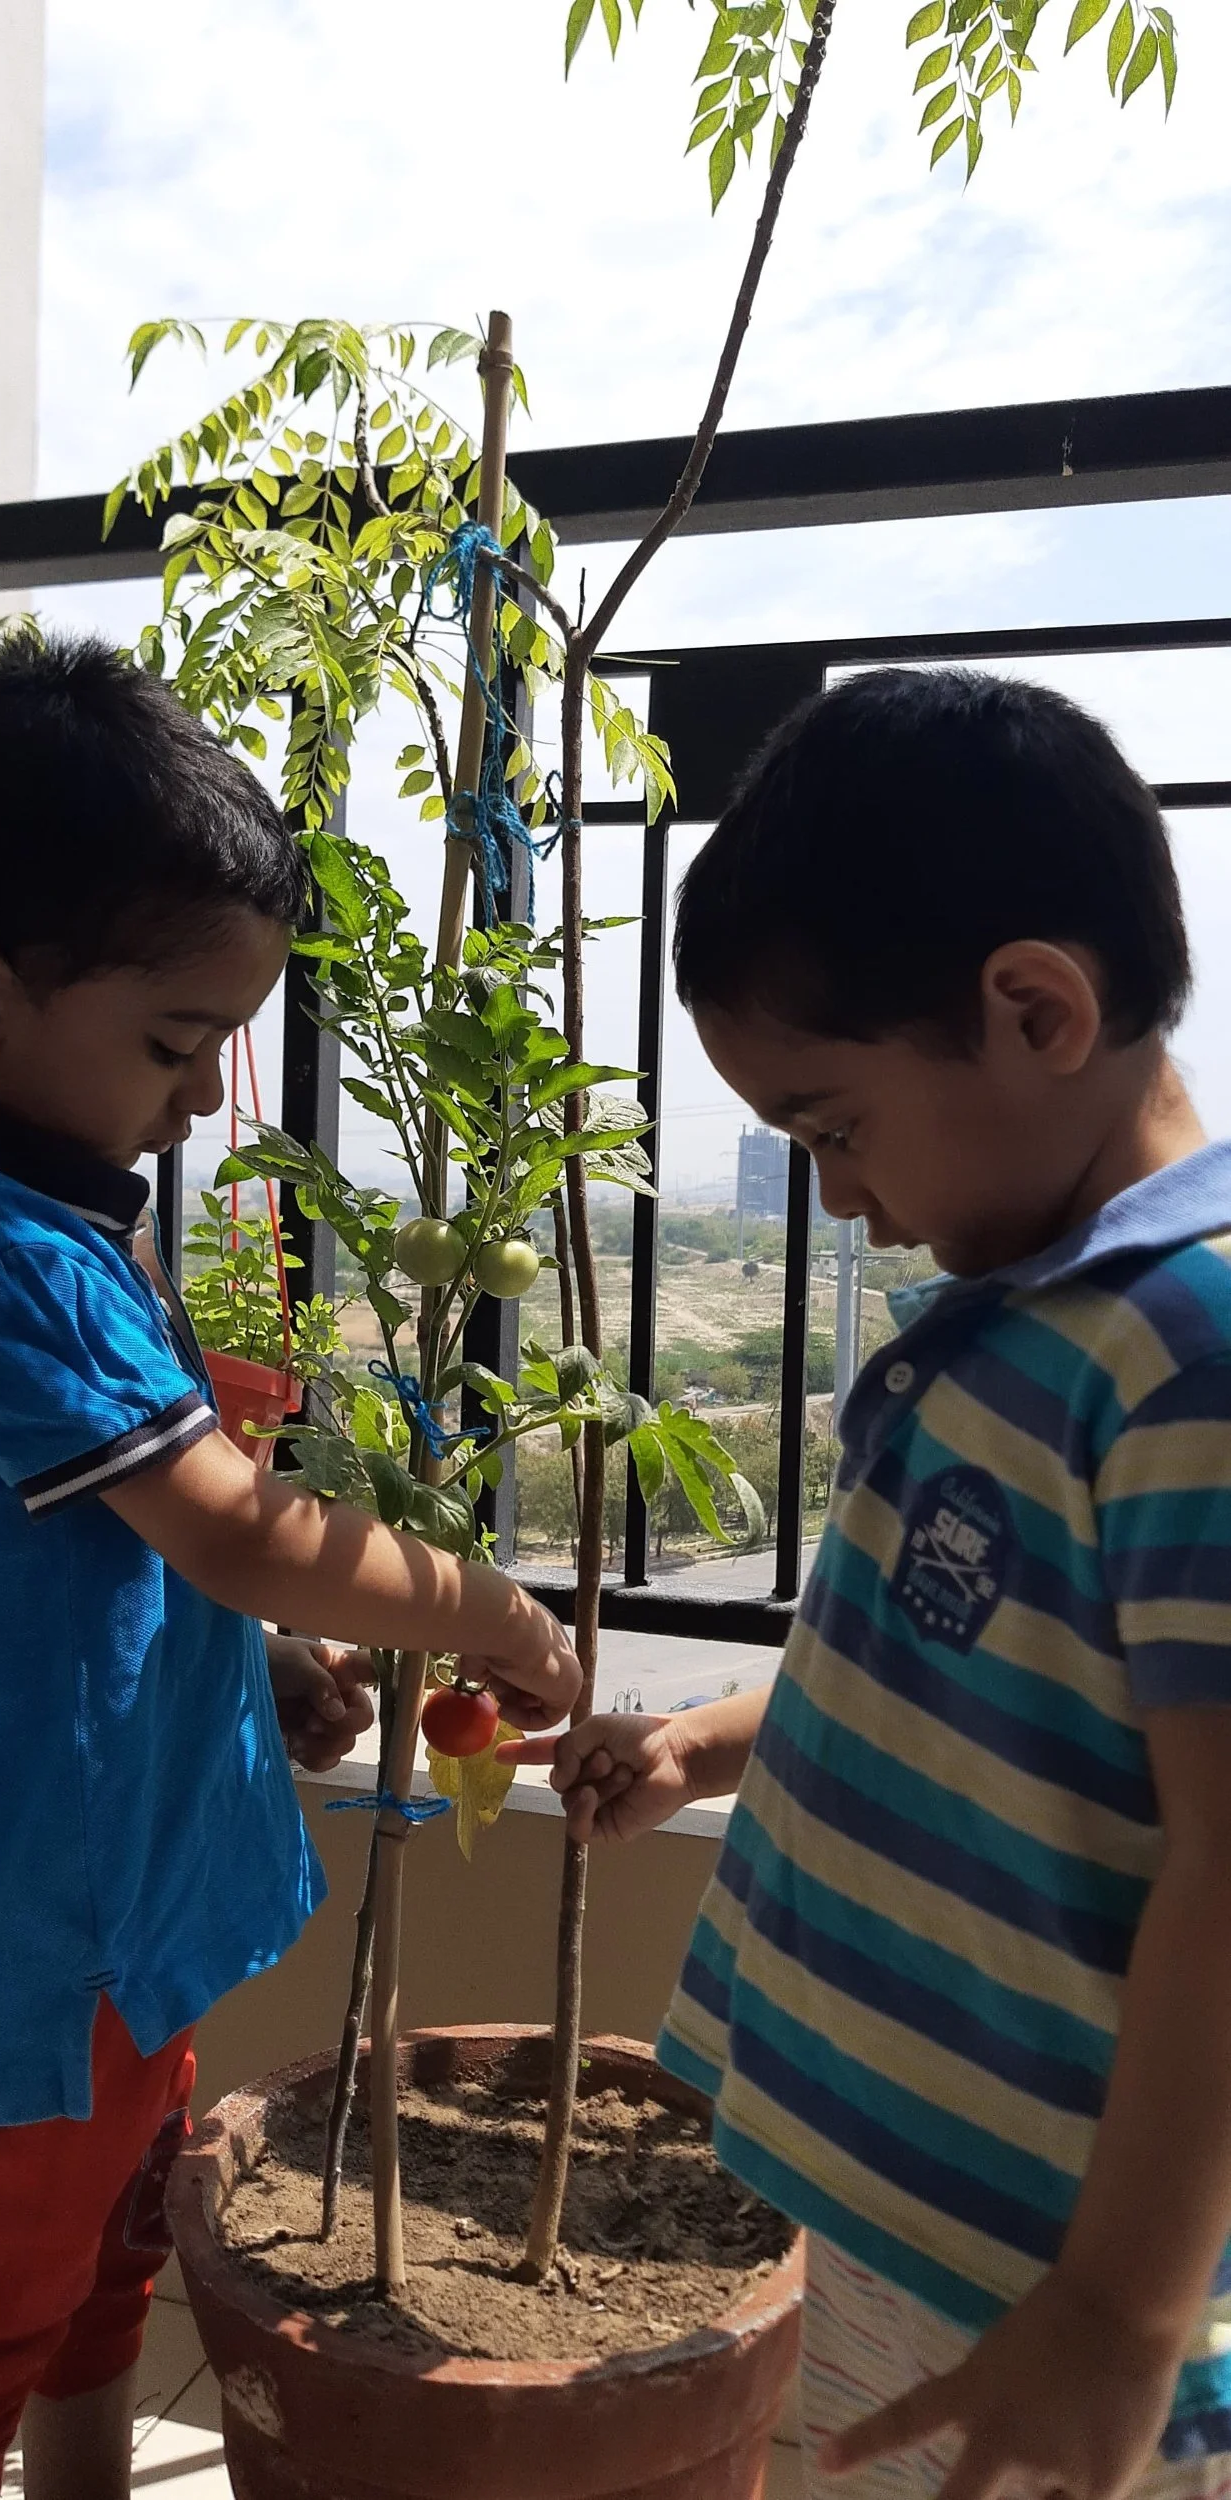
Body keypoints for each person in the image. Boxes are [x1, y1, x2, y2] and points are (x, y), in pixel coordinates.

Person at [0, 631, 580, 2500]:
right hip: (37, 1916)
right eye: (172, 1047)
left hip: (106, 1896)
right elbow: (233, 1522)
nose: (196, 1099)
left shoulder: (30, 1219)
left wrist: (244, 1671)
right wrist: (481, 1606)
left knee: (99, 2272)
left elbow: (83, 1554)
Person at [508, 668, 1231, 2500]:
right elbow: (920, 1678)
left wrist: (1121, 2319)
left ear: (1033, 1008)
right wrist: (703, 1744)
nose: (834, 1201)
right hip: (883, 2210)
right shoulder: (1018, 1329)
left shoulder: (1188, 1352)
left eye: (831, 1126)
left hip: (1046, 2290)